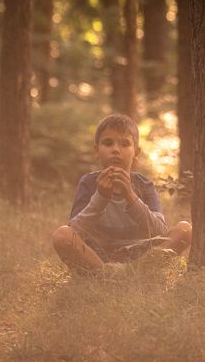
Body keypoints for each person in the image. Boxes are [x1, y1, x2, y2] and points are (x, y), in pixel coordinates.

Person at [52, 113, 192, 272]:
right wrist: (101, 197)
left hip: (140, 255)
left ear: (136, 152)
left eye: (125, 144)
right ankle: (105, 274)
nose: (116, 150)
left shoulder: (144, 185)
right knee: (62, 235)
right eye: (108, 143)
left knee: (185, 230)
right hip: (97, 255)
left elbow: (160, 233)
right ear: (96, 150)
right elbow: (75, 232)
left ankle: (135, 272)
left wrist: (131, 197)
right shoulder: (89, 183)